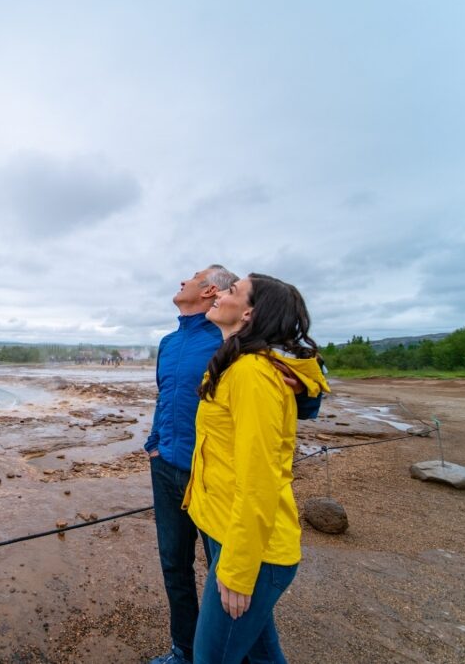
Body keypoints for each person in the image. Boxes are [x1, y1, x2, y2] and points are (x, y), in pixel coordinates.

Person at [185, 274, 329, 664]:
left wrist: (237, 568)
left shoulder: (252, 374)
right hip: (228, 529)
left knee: (210, 658)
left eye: (231, 290)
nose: (219, 293)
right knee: (263, 654)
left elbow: (260, 478)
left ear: (249, 312)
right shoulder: (237, 363)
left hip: (253, 548)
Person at [146, 265, 239, 664]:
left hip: (211, 474)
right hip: (165, 467)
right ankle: (184, 650)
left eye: (193, 276)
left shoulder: (227, 339)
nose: (182, 279)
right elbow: (165, 396)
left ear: (209, 290)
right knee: (174, 565)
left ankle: (227, 653)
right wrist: (154, 444)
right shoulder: (168, 342)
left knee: (225, 571)